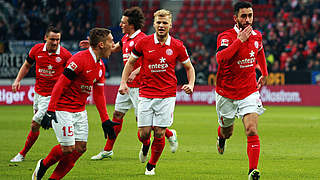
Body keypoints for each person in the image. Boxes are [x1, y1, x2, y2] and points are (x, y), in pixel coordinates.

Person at [80, 7, 178, 161]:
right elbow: (111, 49)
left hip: (142, 88)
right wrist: (94, 46)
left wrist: (136, 71)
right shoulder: (125, 38)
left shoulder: (143, 39)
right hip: (127, 86)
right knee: (117, 115)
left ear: (131, 24)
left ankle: (168, 135)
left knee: (147, 126)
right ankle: (108, 150)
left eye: (123, 22)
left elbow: (150, 62)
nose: (120, 25)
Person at [32, 28, 119, 180]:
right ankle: (43, 164)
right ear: (101, 45)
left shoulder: (100, 66)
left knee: (80, 148)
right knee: (67, 148)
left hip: (80, 111)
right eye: (111, 41)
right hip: (62, 109)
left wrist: (105, 120)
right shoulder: (79, 60)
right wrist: (50, 110)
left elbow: (98, 95)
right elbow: (60, 84)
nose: (113, 45)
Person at [119, 9, 195, 175]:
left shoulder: (177, 45)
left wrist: (191, 83)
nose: (161, 25)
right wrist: (124, 82)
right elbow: (130, 63)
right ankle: (146, 145)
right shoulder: (143, 43)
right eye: (158, 23)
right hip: (145, 93)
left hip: (167, 95)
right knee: (144, 134)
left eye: (165, 23)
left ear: (170, 25)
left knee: (159, 132)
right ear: (153, 24)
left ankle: (151, 166)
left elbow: (189, 67)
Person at [215, 1, 268, 180]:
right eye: (243, 16)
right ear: (235, 18)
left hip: (249, 90)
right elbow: (221, 58)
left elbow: (259, 52)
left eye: (250, 16)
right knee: (227, 132)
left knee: (251, 129)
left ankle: (252, 170)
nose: (247, 20)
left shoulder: (257, 36)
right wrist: (240, 41)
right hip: (226, 93)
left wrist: (264, 72)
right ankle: (221, 137)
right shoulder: (226, 36)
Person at [10, 25, 72, 163]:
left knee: (34, 124)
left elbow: (74, 73)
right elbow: (27, 65)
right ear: (45, 38)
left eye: (58, 40)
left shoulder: (65, 55)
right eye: (52, 39)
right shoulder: (36, 50)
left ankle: (22, 154)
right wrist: (17, 80)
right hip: (37, 94)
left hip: (52, 97)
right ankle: (61, 130)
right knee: (39, 125)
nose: (55, 43)